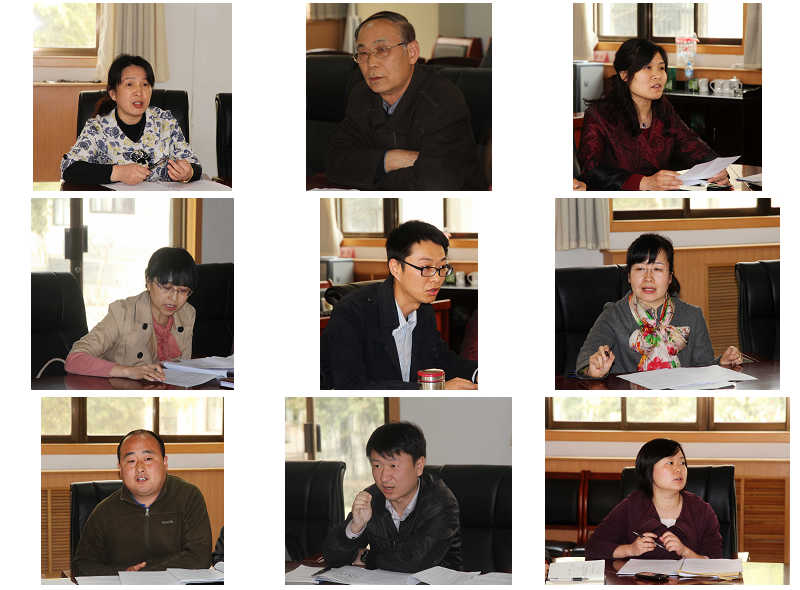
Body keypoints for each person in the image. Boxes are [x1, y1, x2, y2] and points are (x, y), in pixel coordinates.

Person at [326, 11, 486, 190]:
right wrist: (391, 159)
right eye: (363, 53)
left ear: (411, 52)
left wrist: (369, 172)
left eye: (382, 50)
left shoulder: (442, 98)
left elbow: (436, 181)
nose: (371, 63)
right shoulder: (361, 94)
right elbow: (334, 163)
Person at [321, 220, 478, 389]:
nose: (437, 278)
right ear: (395, 268)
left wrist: (478, 373)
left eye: (442, 267)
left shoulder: (423, 309)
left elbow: (441, 359)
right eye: (426, 267)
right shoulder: (351, 313)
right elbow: (351, 386)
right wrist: (433, 389)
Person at [576, 233, 742, 377]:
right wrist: (592, 369)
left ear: (669, 277)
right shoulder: (613, 315)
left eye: (657, 269)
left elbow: (704, 368)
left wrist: (721, 364)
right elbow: (585, 360)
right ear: (629, 276)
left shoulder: (693, 315)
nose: (648, 278)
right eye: (640, 269)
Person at [577, 39, 729, 191]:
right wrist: (644, 182)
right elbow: (590, 170)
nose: (657, 75)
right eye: (647, 68)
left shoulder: (663, 109)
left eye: (661, 68)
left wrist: (715, 167)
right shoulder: (599, 115)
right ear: (624, 75)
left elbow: (691, 143)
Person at [322, 422, 462, 572]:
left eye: (393, 466)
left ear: (419, 466)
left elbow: (415, 561)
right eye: (377, 466)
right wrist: (355, 528)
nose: (384, 477)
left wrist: (366, 557)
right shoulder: (372, 498)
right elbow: (331, 556)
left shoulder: (441, 502)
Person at [72, 429, 212, 575]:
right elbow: (81, 566)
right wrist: (124, 573)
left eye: (148, 459)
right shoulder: (105, 511)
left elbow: (200, 556)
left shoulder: (188, 497)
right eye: (131, 461)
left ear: (164, 462)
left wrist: (145, 574)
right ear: (120, 468)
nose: (140, 468)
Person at [61, 54, 202, 185]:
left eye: (145, 84)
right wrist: (117, 173)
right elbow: (69, 168)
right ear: (113, 93)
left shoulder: (165, 121)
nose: (139, 92)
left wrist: (188, 172)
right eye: (129, 84)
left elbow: (194, 164)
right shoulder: (97, 128)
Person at [65, 247, 197, 382]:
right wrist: (127, 371)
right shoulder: (122, 312)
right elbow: (74, 359)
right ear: (148, 282)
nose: (174, 298)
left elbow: (183, 367)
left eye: (183, 291)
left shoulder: (186, 313)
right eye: (166, 288)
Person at [585, 438, 722, 560]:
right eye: (670, 463)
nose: (679, 469)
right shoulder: (632, 506)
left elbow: (715, 561)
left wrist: (685, 552)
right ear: (649, 470)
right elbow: (594, 547)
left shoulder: (702, 510)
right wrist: (630, 549)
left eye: (682, 462)